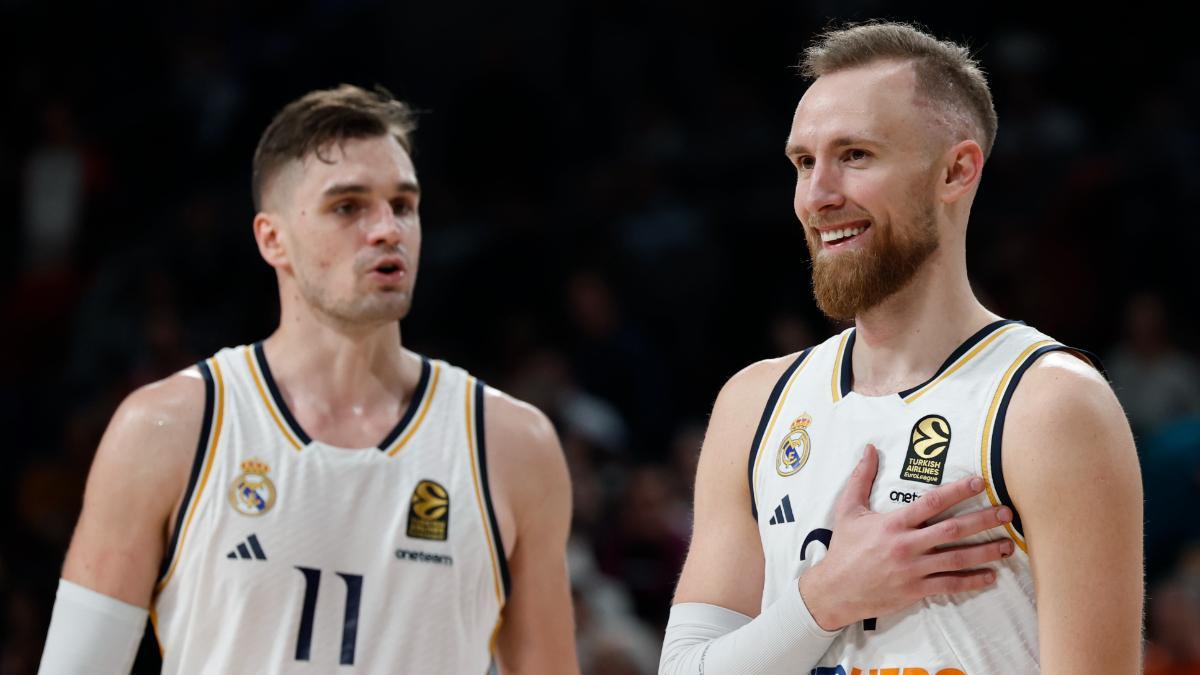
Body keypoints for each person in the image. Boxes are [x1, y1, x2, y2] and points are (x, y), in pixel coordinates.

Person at [38, 84, 578, 674]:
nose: (387, 230)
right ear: (273, 239)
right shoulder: (168, 430)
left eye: (402, 204)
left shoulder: (513, 446)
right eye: (348, 207)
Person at [659, 21, 1143, 675]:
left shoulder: (1050, 405)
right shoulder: (754, 403)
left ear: (956, 170)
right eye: (804, 162)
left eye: (855, 154)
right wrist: (825, 597)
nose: (818, 195)